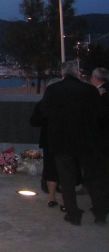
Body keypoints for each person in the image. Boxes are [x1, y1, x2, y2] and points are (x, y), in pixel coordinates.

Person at [42, 61, 109, 225]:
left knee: (67, 179)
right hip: (87, 141)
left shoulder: (53, 90)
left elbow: (44, 112)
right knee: (93, 178)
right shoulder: (90, 90)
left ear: (62, 73)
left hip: (62, 142)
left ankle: (73, 214)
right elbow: (102, 114)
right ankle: (100, 213)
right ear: (78, 73)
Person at [30, 78, 61, 208]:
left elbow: (34, 121)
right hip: (67, 140)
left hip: (49, 140)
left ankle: (52, 198)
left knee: (51, 168)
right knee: (66, 168)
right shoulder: (68, 103)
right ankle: (67, 200)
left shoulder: (43, 104)